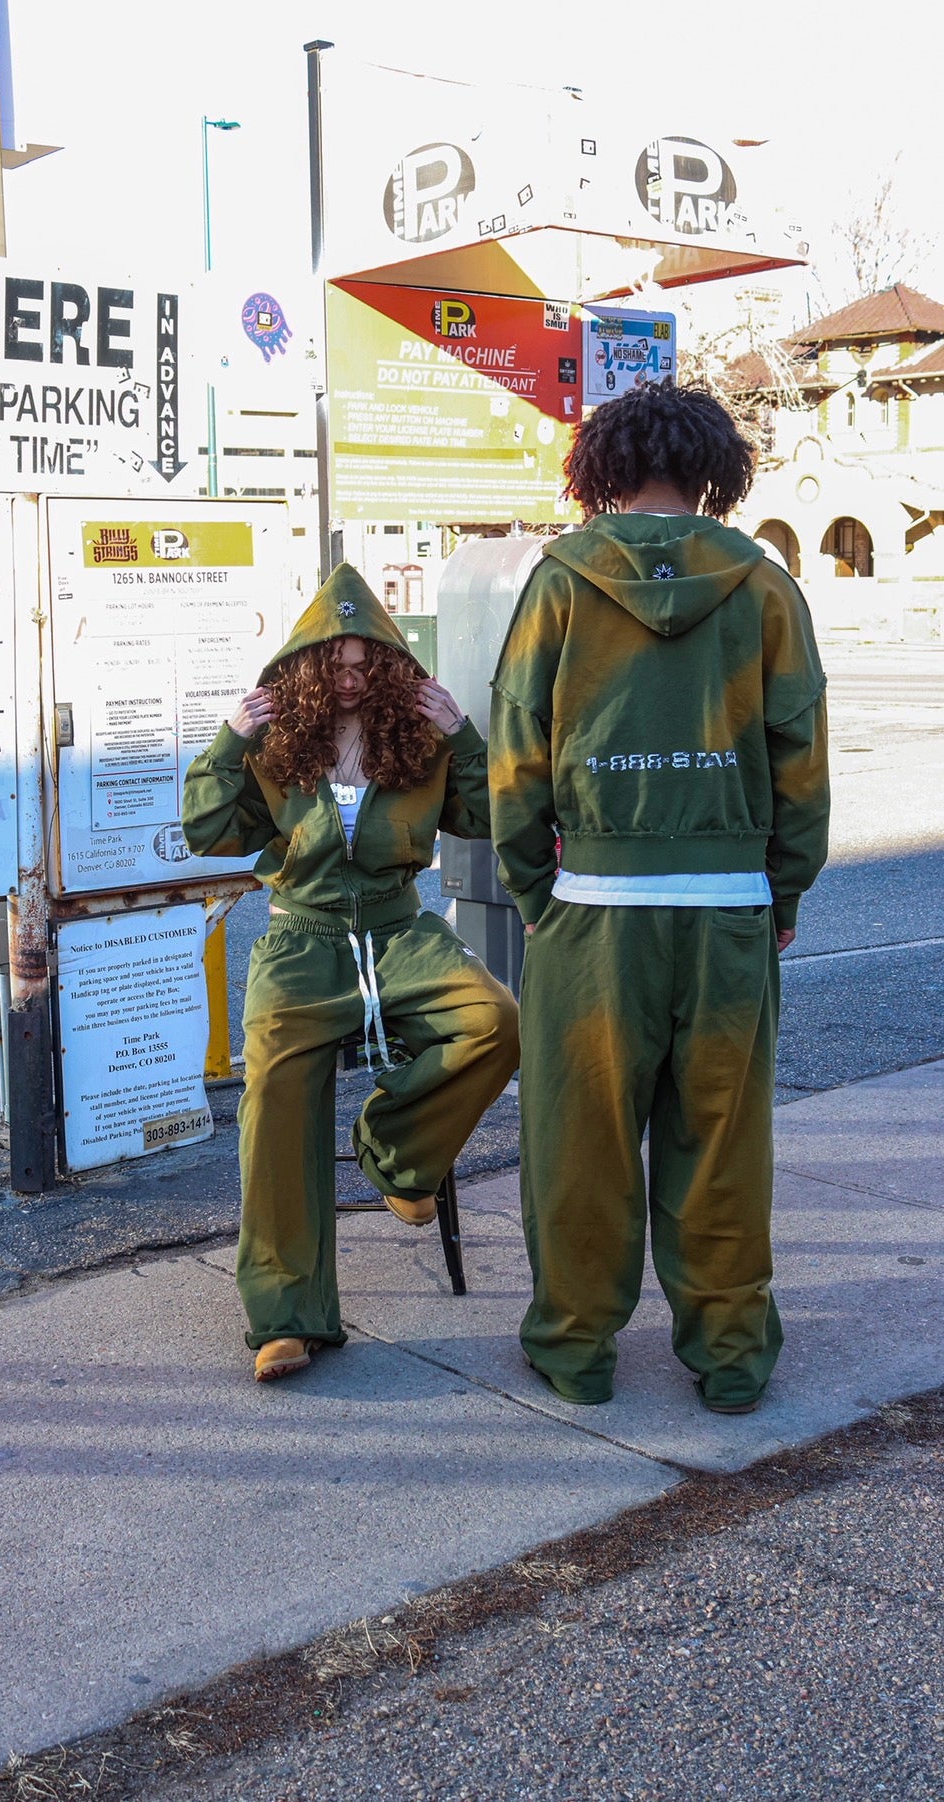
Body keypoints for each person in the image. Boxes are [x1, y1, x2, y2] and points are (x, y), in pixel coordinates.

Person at [488, 380, 829, 1414]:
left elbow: (518, 749)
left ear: (603, 466)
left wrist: (535, 887)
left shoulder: (561, 581)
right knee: (722, 1143)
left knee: (580, 1141)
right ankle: (730, 1356)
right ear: (712, 469)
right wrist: (782, 889)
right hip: (726, 906)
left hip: (594, 907)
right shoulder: (763, 585)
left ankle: (577, 1349)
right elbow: (799, 752)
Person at [183, 563, 519, 1382]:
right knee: (273, 1096)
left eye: (367, 664)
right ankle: (286, 1318)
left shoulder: (419, 739)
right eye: (335, 664)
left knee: (495, 1022)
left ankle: (395, 1155)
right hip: (302, 940)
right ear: (307, 665)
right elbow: (206, 831)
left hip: (401, 932)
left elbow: (492, 816)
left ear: (392, 665)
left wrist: (463, 737)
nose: (350, 678)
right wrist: (230, 739)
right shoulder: (275, 745)